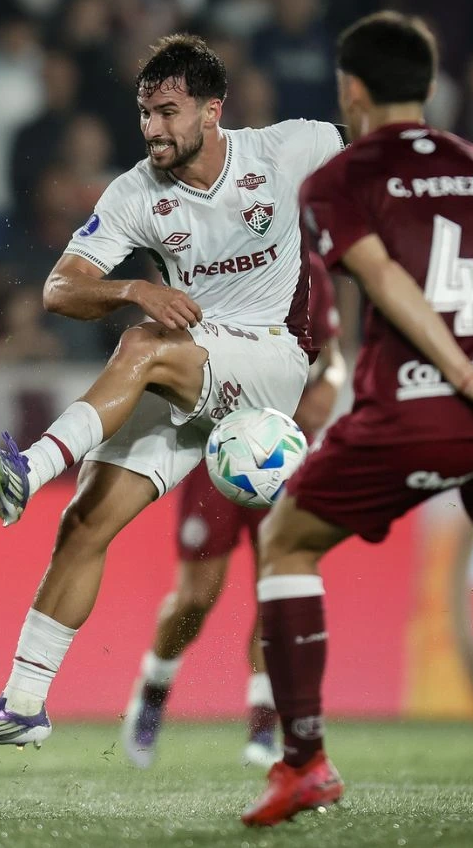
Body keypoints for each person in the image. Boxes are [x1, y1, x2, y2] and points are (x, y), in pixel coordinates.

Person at [0, 34, 347, 753]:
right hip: (190, 365)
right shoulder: (134, 193)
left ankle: (30, 469)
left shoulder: (286, 149)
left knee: (142, 343)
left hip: (272, 361)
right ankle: (24, 704)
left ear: (213, 110)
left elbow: (394, 147)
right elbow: (61, 287)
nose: (153, 128)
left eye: (169, 112)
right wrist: (129, 285)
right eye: (145, 113)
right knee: (85, 524)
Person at [240, 12, 473, 831]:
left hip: (412, 411)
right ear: (431, 88)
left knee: (288, 543)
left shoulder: (339, 179)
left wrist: (464, 376)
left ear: (353, 91)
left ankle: (304, 763)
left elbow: (388, 282)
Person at [121, 251, 346, 771]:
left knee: (277, 586)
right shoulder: (209, 253)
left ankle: (265, 726)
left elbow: (333, 354)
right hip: (216, 442)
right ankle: (153, 690)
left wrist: (330, 386)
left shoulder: (307, 268)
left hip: (285, 445)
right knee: (197, 596)